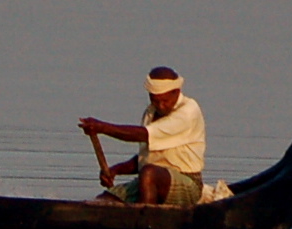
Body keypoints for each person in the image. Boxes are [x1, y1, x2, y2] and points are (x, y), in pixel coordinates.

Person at [79, 67, 205, 206]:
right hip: (150, 179)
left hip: (187, 183)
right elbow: (145, 157)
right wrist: (116, 170)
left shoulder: (188, 111)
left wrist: (102, 128)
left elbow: (143, 135)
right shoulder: (151, 112)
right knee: (103, 201)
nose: (161, 106)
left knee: (148, 173)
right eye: (156, 101)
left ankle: (145, 221)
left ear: (177, 92)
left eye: (165, 101)